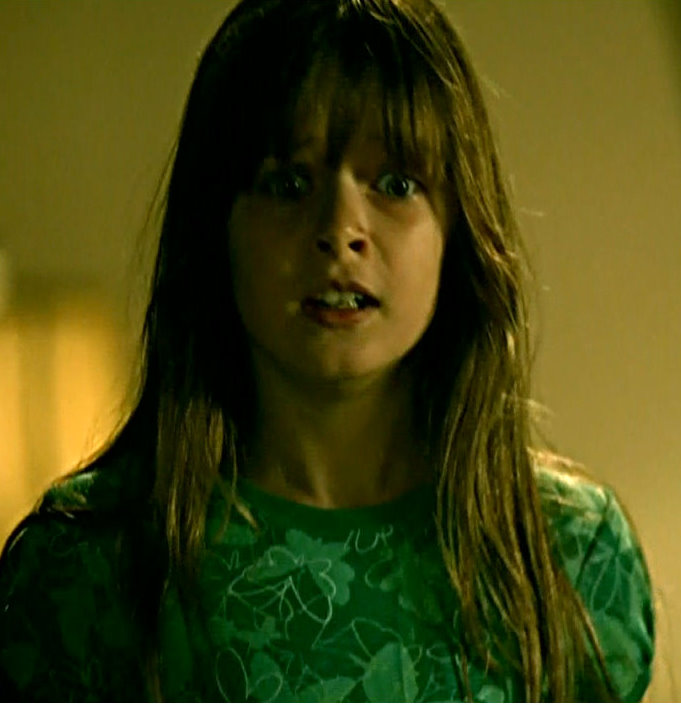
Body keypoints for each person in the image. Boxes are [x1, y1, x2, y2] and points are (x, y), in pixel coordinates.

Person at [0, 0, 655, 701]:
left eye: (396, 185)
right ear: (218, 227)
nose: (341, 229)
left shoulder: (567, 554)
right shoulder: (87, 563)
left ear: (458, 229)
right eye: (289, 183)